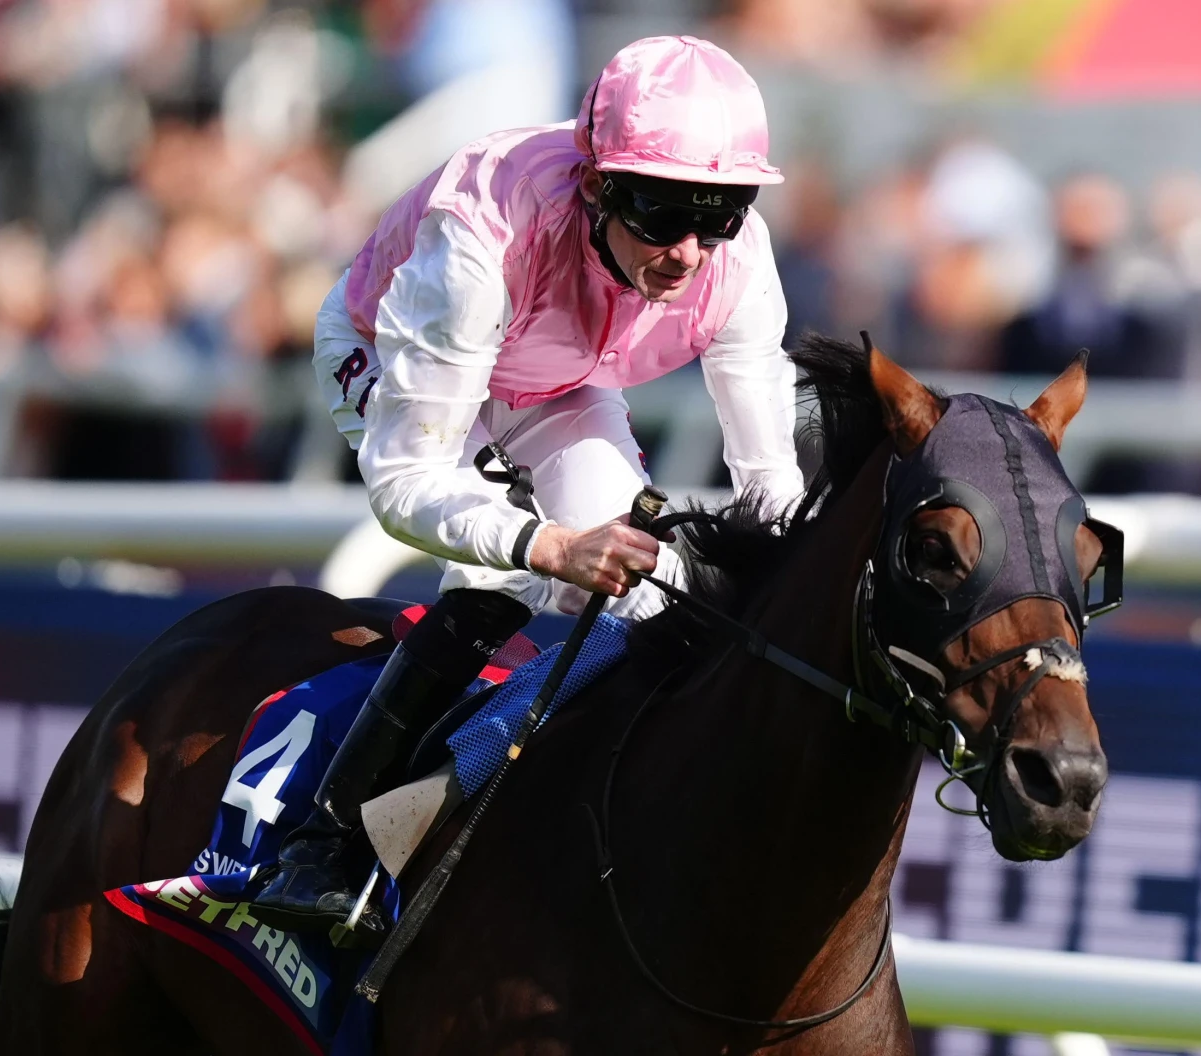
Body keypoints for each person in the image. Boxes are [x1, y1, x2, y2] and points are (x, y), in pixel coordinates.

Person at [250, 36, 804, 933]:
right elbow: (406, 484)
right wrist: (548, 544)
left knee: (650, 592)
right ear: (597, 187)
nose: (691, 253)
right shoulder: (483, 231)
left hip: (558, 378)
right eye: (661, 216)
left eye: (722, 217)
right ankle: (331, 841)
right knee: (501, 576)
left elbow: (769, 477)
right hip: (396, 350)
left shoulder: (738, 262)